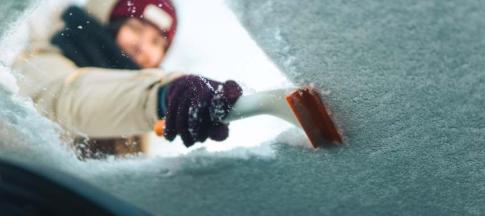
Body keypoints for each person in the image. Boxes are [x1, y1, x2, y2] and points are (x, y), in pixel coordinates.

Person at [12, 0, 242, 158]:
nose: (143, 47)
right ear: (106, 22)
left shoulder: (146, 125)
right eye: (134, 28)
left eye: (157, 43)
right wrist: (162, 95)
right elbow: (69, 100)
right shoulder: (40, 61)